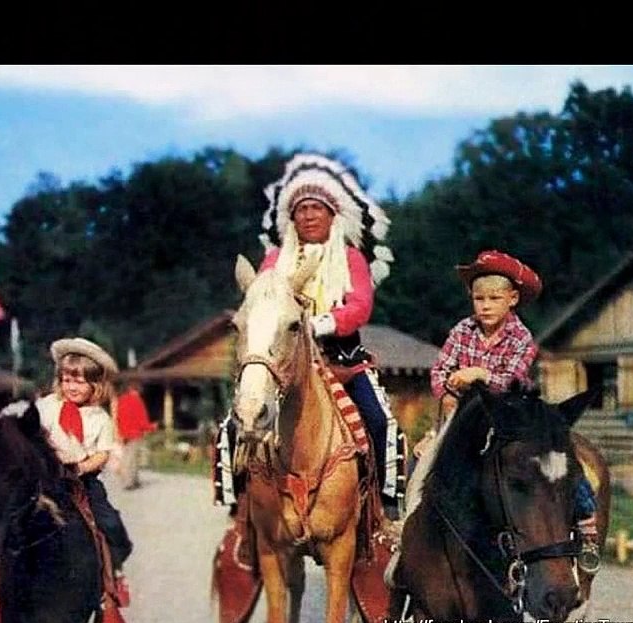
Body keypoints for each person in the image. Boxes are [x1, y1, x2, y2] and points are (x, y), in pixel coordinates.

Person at [218, 153, 400, 509]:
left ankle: (384, 502)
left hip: (340, 359)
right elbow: (260, 303)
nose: (309, 215)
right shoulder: (274, 261)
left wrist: (321, 323)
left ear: (334, 215)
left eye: (317, 208)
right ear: (291, 218)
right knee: (235, 422)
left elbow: (360, 306)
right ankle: (240, 506)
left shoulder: (351, 258)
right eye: (301, 210)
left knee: (379, 421)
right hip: (283, 361)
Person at [430, 249, 599, 555]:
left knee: (556, 452)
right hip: (464, 416)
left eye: (494, 299)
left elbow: (509, 381)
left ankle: (584, 512)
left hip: (512, 416)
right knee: (427, 459)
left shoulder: (521, 338)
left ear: (512, 300)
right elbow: (439, 370)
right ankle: (419, 525)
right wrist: (445, 392)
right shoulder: (462, 331)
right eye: (479, 299)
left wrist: (477, 373)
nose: (485, 306)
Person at [36, 338, 133, 606]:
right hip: (43, 477)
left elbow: (102, 453)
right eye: (67, 380)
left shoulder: (99, 418)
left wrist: (79, 467)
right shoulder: (47, 406)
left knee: (111, 523)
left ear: (95, 384)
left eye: (79, 381)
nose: (72, 387)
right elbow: (32, 432)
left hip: (81, 479)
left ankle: (111, 573)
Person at [114, 379, 156, 491]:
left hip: (124, 433)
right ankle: (129, 482)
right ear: (137, 390)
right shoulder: (137, 401)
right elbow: (142, 419)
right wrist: (152, 427)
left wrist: (119, 433)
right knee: (132, 459)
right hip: (135, 433)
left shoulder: (122, 400)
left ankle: (133, 480)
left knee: (126, 457)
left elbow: (118, 418)